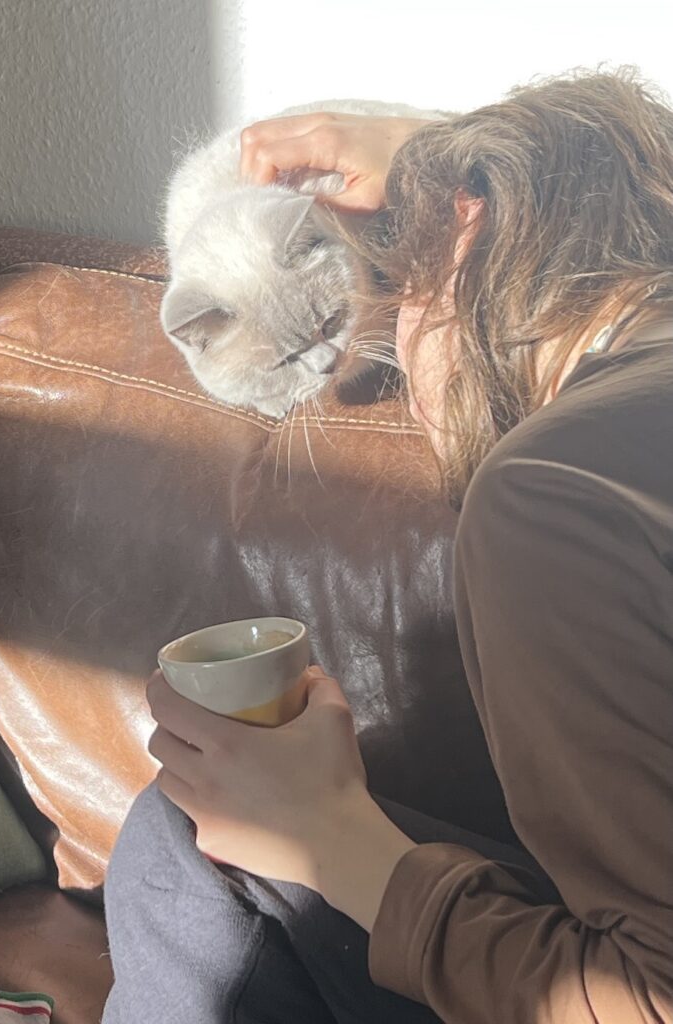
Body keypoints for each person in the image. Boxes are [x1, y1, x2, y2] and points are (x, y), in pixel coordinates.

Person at [102, 71, 673, 1023]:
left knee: (189, 842)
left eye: (397, 284)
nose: (391, 368)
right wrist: (479, 160)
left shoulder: (553, 491)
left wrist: (328, 837)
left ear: (466, 223)